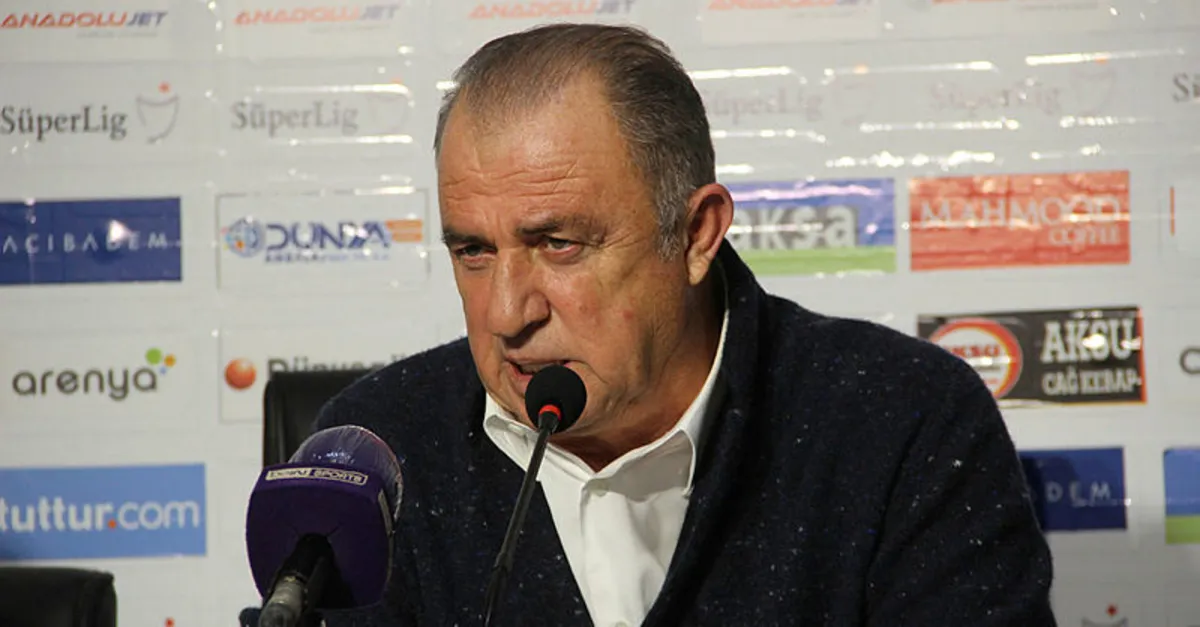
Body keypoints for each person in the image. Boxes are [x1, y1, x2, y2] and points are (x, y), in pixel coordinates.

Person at [306, 23, 1056, 627]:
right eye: (473, 250)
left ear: (696, 234)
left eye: (558, 244)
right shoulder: (377, 448)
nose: (506, 313)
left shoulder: (902, 420)